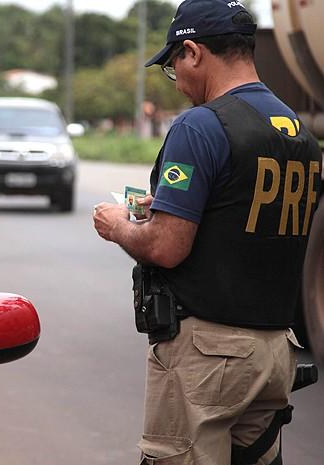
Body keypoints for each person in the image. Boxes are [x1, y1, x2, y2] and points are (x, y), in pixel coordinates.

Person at [92, 1, 322, 464]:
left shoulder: (200, 126)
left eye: (173, 64)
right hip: (274, 352)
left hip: (208, 357)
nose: (176, 82)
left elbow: (166, 246)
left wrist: (118, 226)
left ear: (193, 52)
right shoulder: (300, 134)